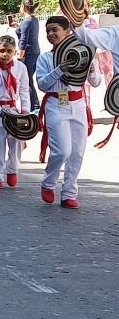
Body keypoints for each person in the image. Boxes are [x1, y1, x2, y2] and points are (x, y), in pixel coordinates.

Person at [37, 16, 102, 209]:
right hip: (56, 104)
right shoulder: (46, 58)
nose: (51, 34)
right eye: (48, 31)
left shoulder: (84, 52)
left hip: (78, 104)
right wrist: (59, 69)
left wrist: (90, 70)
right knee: (62, 151)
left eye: (55, 29)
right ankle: (48, 183)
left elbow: (96, 82)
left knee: (77, 153)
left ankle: (69, 192)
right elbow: (42, 85)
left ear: (67, 31)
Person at [0, 35, 29, 189]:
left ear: (15, 51)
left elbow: (24, 90)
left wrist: (25, 110)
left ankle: (12, 170)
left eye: (9, 51)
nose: (5, 54)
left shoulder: (21, 67)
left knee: (16, 141)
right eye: (2, 50)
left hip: (13, 109)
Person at [16, 0, 41, 113]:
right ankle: (34, 105)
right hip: (35, 52)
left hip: (28, 55)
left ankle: (35, 106)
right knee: (29, 80)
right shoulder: (33, 20)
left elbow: (23, 41)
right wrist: (17, 27)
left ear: (24, 7)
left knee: (26, 81)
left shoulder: (27, 22)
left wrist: (20, 57)